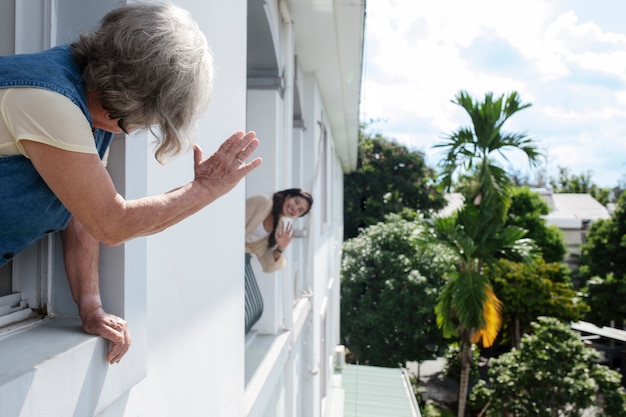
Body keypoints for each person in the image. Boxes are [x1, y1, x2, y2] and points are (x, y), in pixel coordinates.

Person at [0, 3, 262, 364]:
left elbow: (82, 211)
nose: (146, 127)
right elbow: (108, 221)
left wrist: (90, 306)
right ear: (136, 97)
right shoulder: (49, 100)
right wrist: (203, 190)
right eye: (153, 117)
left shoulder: (88, 105)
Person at [245, 189, 313, 273]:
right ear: (288, 196)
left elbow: (267, 265)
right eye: (296, 202)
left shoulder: (279, 230)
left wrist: (280, 248)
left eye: (300, 210)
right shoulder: (264, 202)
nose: (295, 208)